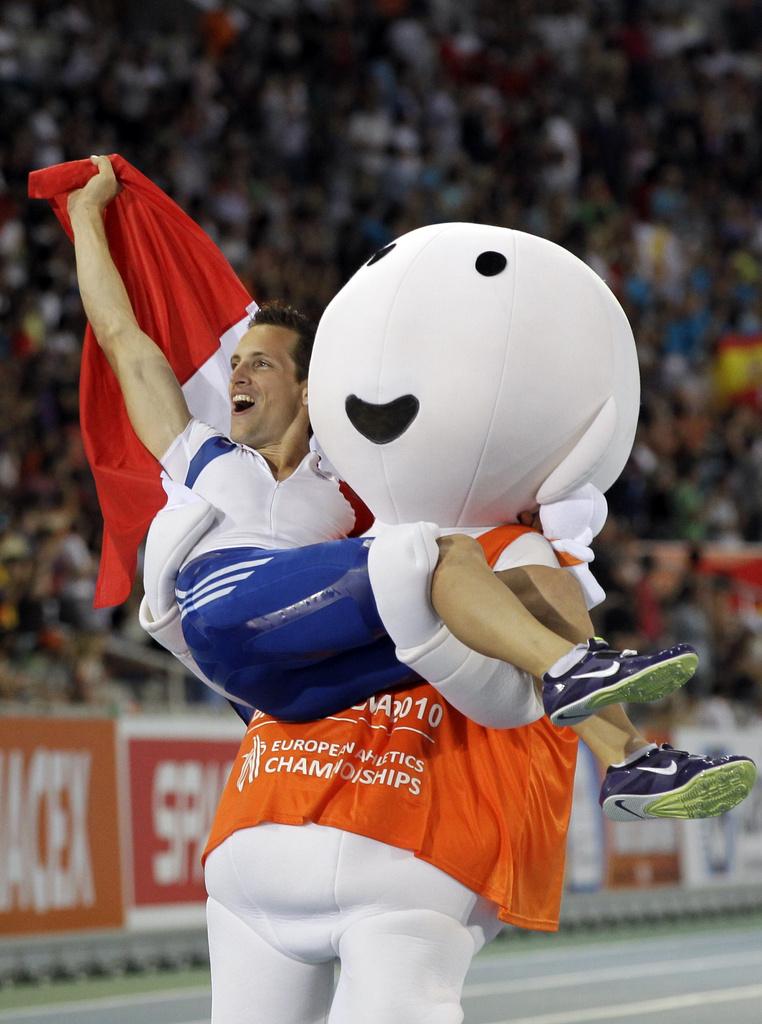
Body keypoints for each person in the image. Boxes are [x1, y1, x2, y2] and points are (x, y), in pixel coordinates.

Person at [67, 156, 754, 816]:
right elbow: (119, 333)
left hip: (305, 676)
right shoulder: (200, 454)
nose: (235, 379)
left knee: (540, 584)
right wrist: (88, 214)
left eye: (259, 365)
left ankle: (629, 760)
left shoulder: (352, 486)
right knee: (438, 557)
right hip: (226, 614)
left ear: (310, 388)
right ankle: (574, 668)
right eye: (235, 364)